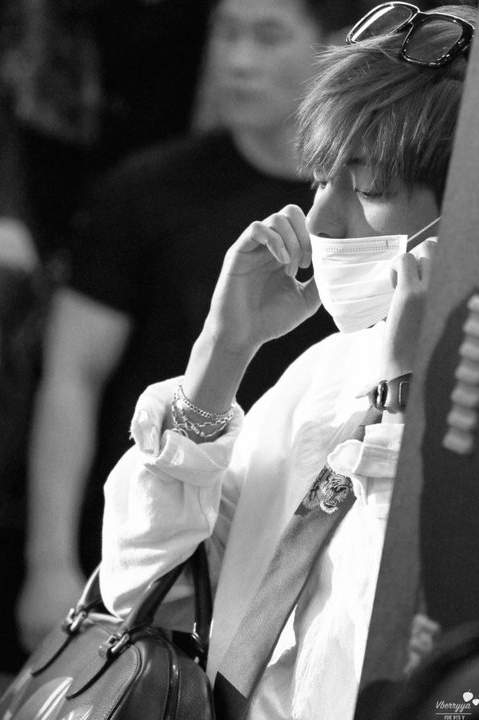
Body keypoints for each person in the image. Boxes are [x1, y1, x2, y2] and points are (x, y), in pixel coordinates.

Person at [100, 3, 477, 719]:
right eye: (320, 179)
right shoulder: (326, 372)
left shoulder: (449, 398)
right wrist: (221, 355)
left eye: (367, 189)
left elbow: (407, 652)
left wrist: (402, 400)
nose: (321, 220)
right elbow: (146, 596)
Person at [17, 0, 376, 653]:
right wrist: (48, 562)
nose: (237, 60)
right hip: (154, 540)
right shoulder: (146, 189)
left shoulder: (383, 233)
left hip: (302, 565)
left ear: (336, 48)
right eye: (226, 33)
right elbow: (71, 376)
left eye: (268, 37)